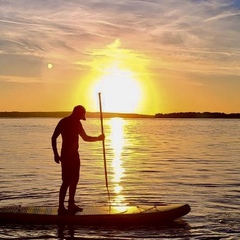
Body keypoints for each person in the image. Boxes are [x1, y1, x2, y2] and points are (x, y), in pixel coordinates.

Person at [51, 105, 104, 215]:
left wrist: (98, 139)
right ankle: (61, 207)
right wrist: (55, 154)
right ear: (78, 113)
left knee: (75, 179)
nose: (82, 117)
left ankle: (71, 204)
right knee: (66, 181)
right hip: (66, 155)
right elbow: (54, 137)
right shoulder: (64, 122)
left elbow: (85, 138)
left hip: (75, 155)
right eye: (82, 115)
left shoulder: (77, 124)